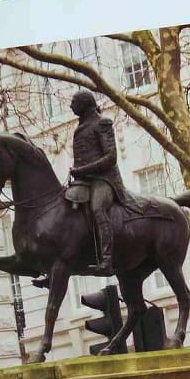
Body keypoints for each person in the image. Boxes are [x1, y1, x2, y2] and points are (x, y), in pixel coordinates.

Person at [69, 90, 125, 276]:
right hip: (83, 181)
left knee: (97, 208)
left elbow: (111, 157)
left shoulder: (102, 123)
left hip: (105, 180)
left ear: (84, 104)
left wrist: (83, 170)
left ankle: (107, 260)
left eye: (74, 102)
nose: (71, 106)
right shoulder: (80, 128)